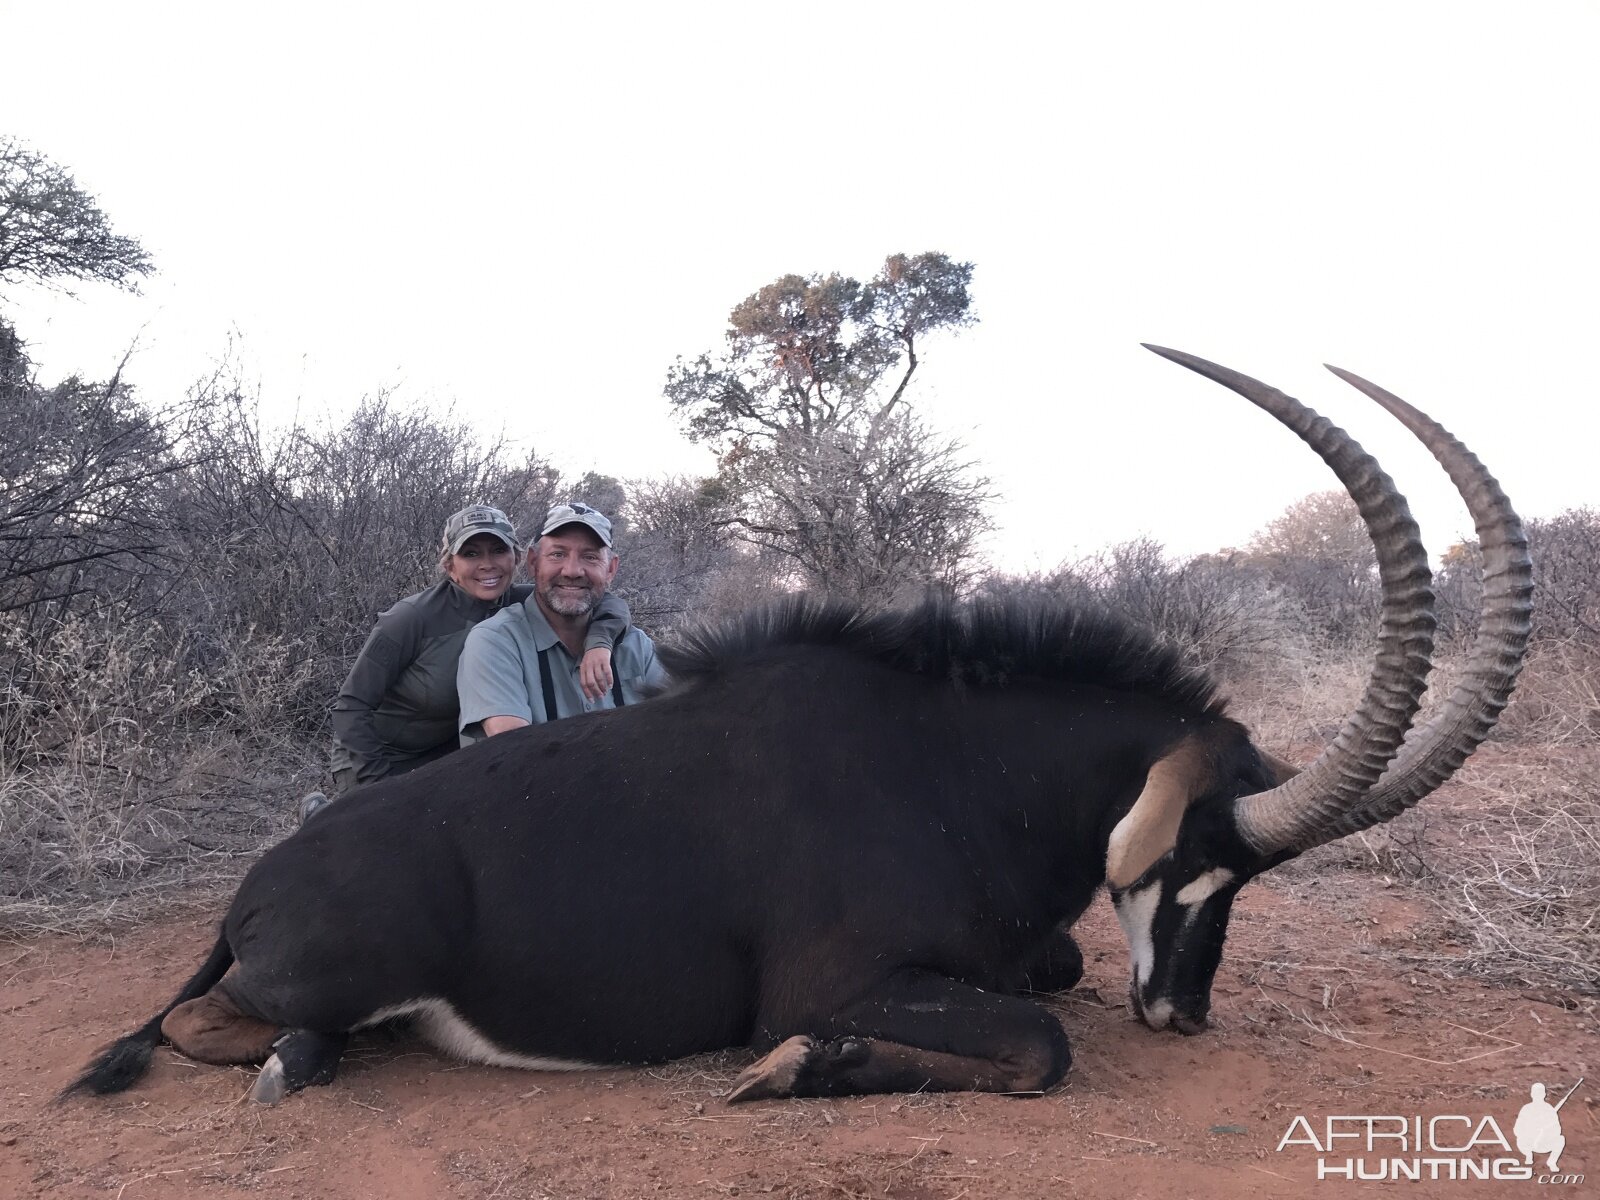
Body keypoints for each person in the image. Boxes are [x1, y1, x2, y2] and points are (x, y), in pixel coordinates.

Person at [301, 504, 632, 819]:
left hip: (451, 752)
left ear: (518, 559)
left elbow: (607, 603)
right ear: (449, 565)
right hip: (380, 754)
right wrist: (380, 787)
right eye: (471, 554)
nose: (487, 564)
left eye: (498, 551)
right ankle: (324, 816)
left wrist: (598, 644)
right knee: (389, 848)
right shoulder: (409, 619)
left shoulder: (523, 602)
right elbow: (351, 707)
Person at [457, 502, 666, 742]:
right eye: (558, 554)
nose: (573, 570)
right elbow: (516, 755)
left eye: (590, 557)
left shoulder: (637, 646)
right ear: (533, 562)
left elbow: (674, 733)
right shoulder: (495, 642)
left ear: (611, 569)